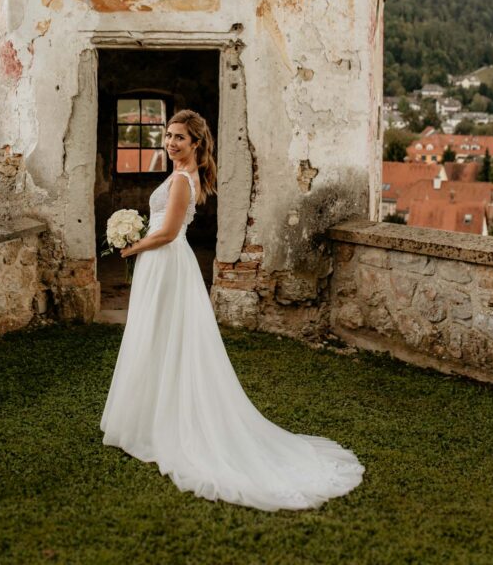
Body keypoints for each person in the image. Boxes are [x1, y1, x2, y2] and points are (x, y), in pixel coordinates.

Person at [100, 109, 364, 511]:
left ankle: (165, 423)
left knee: (164, 335)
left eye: (179, 137)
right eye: (168, 135)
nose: (171, 143)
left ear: (195, 143)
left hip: (166, 261)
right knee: (156, 335)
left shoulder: (182, 181)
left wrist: (132, 246)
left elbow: (168, 232)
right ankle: (150, 417)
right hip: (161, 262)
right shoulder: (181, 175)